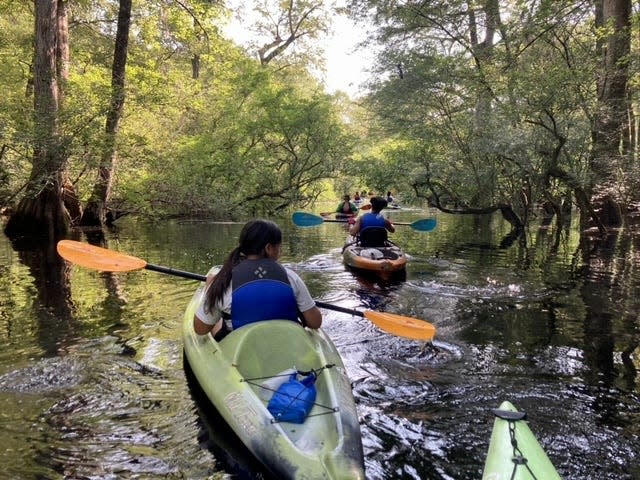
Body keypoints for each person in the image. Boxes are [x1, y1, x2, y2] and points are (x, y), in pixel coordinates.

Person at [193, 219, 322, 338]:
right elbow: (315, 322)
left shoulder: (223, 281)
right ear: (269, 248)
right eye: (279, 246)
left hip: (240, 354)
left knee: (219, 319)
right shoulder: (291, 277)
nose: (280, 251)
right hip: (285, 347)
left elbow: (200, 329)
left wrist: (209, 289)